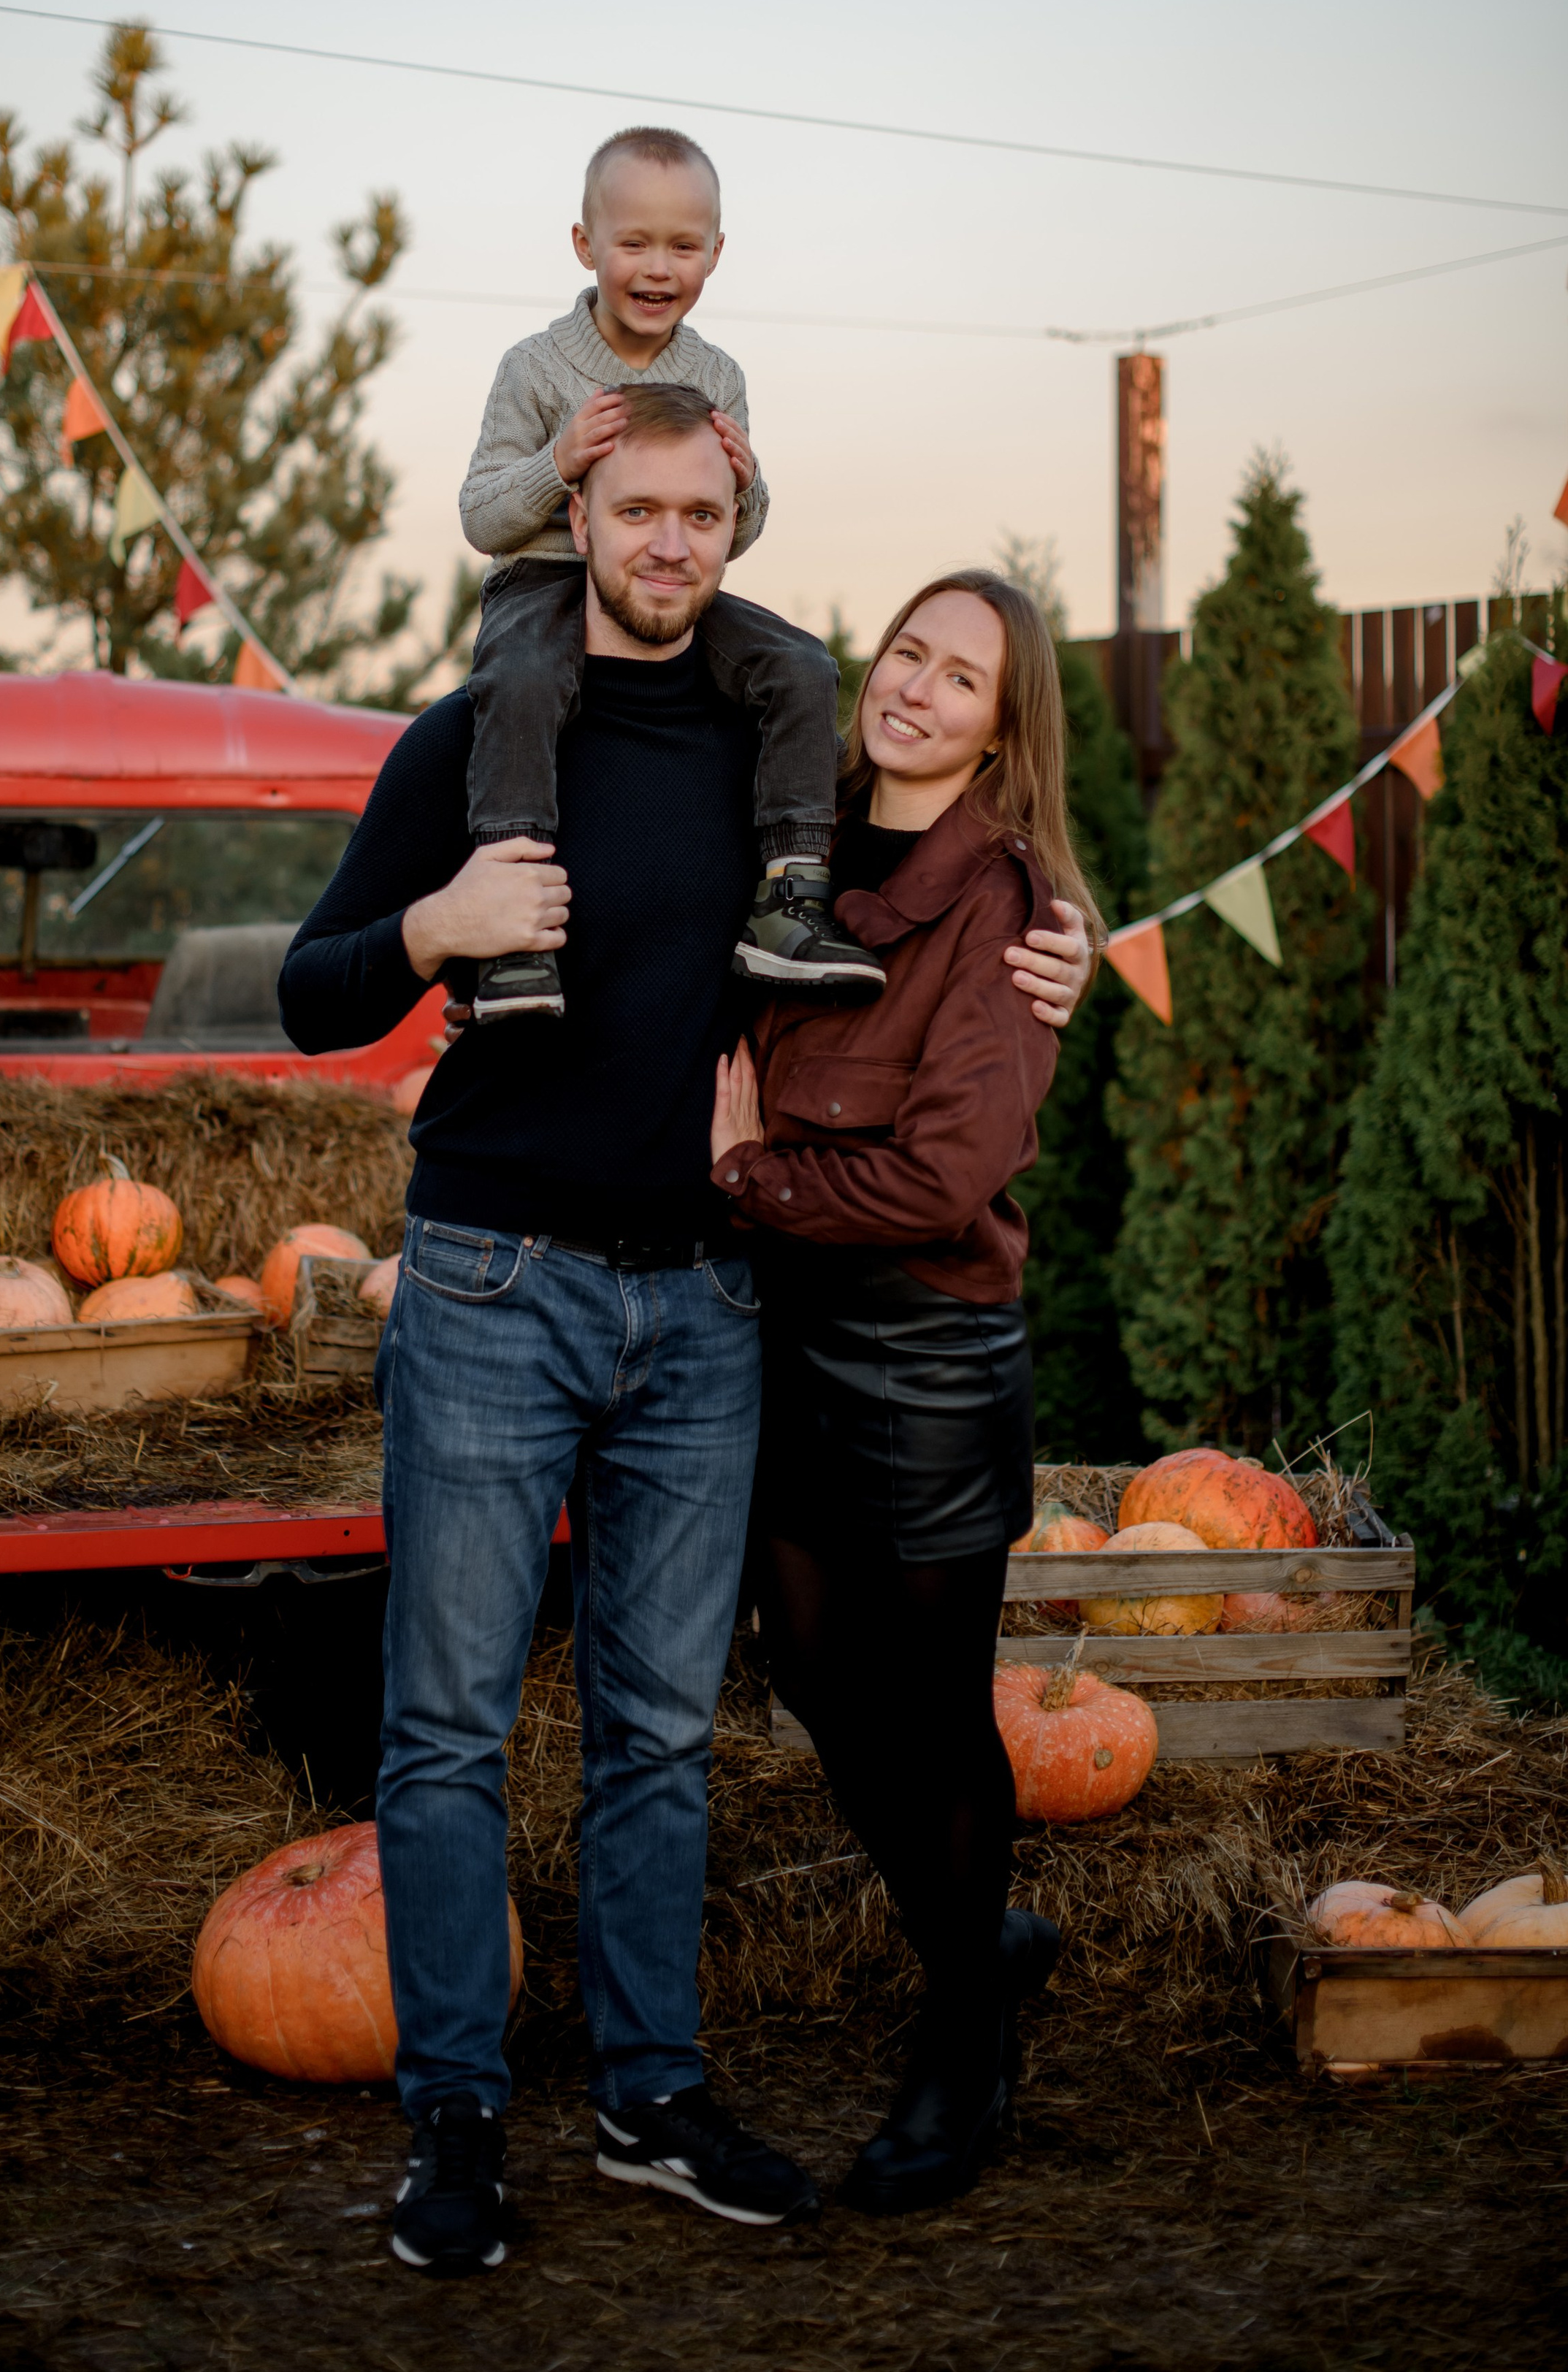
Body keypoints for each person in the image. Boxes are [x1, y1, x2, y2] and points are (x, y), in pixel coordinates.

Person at [279, 391, 1090, 2279]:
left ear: (737, 520)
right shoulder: (478, 739)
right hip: (493, 1283)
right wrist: (432, 930)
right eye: (632, 506)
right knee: (450, 1726)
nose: (665, 541)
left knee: (658, 1729)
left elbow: (928, 887)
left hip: (710, 1306)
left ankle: (652, 2094)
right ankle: (455, 2119)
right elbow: (313, 992)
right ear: (576, 506)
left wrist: (1062, 925)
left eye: (698, 511)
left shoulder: (768, 756)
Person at [708, 568, 1100, 2216]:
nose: (917, 690)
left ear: (1004, 728)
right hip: (778, 1328)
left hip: (924, 1354)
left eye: (962, 679)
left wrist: (745, 1170)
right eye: (907, 655)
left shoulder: (1005, 906)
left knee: (932, 1717)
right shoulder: (787, 837)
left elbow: (945, 1178)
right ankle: (982, 1932)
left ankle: (961, 2039)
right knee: (804, 1662)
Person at [456, 123, 881, 1019]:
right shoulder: (535, 369)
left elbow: (733, 530)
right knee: (524, 675)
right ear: (585, 245)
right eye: (634, 242)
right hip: (543, 583)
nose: (658, 267)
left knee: (802, 664)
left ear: (716, 253)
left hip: (675, 587)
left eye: (683, 245)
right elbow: (482, 518)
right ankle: (514, 922)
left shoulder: (716, 376)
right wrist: (559, 462)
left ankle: (787, 893)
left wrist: (749, 481)